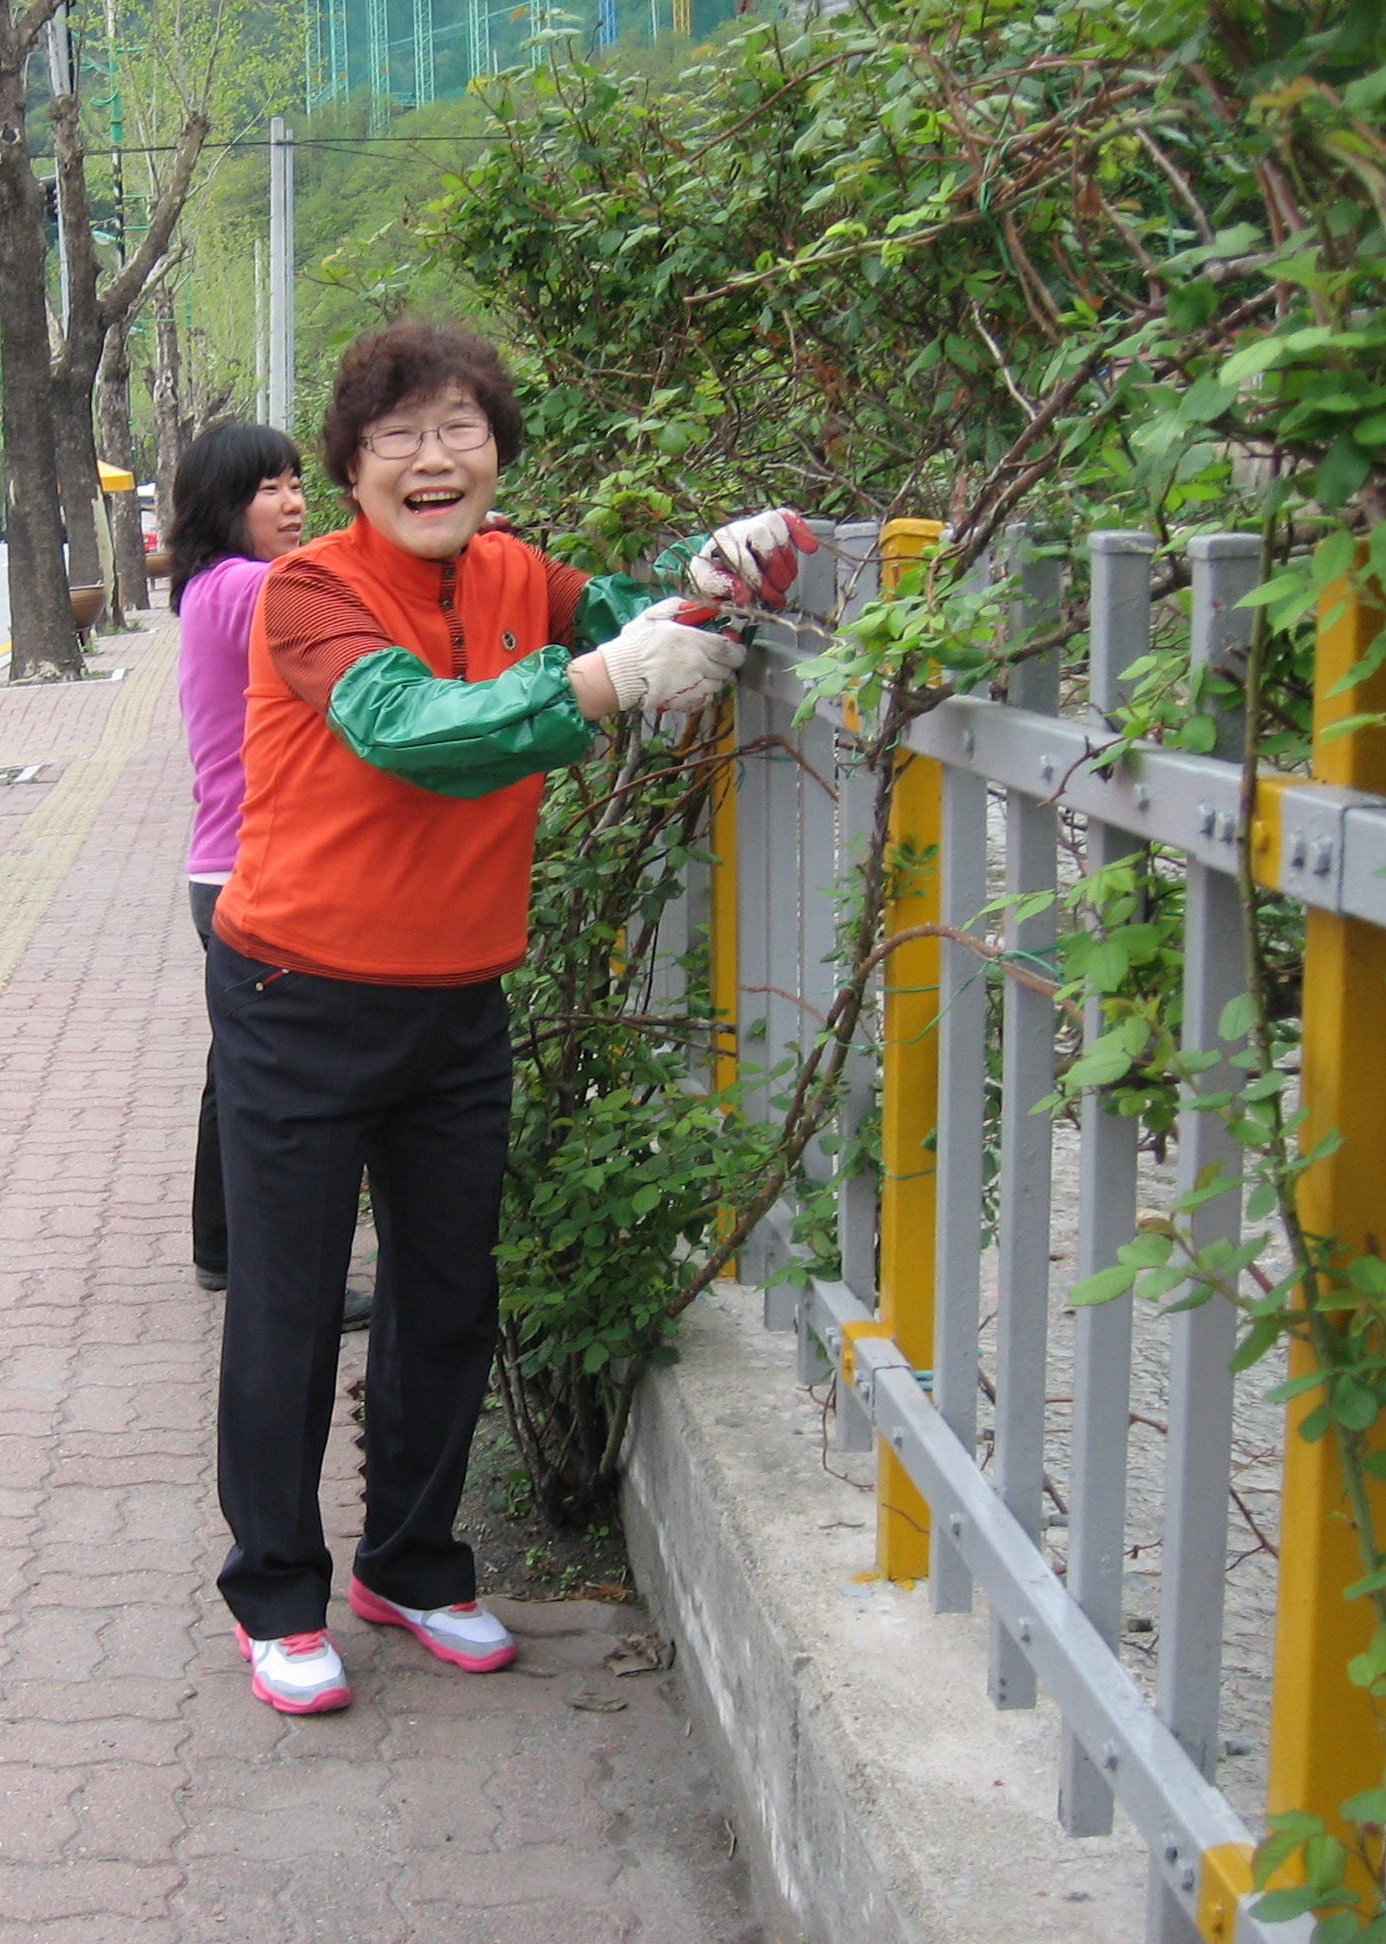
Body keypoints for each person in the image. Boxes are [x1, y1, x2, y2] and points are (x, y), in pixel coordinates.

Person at [209, 317, 812, 1714]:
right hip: (297, 997)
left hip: (456, 999)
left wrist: (718, 579)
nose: (432, 460)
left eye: (459, 431)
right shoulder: (309, 593)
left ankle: (412, 1564)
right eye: (397, 438)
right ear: (351, 467)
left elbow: (637, 618)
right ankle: (277, 1593)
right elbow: (409, 728)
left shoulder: (518, 574)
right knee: (290, 1308)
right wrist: (604, 685)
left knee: (447, 1295)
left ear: (495, 452)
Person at [170, 421, 309, 1300]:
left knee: (239, 1070)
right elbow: (351, 590)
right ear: (225, 505)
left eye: (297, 483)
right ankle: (280, 1276)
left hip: (222, 865)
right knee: (280, 1087)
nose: (293, 504)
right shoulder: (244, 587)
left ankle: (221, 1250)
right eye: (270, 489)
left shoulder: (211, 588)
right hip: (251, 870)